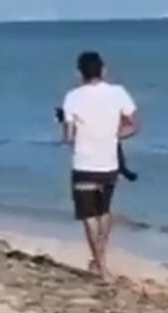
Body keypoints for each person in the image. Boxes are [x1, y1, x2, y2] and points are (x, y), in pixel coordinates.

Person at [60, 51, 139, 280]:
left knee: (89, 216)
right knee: (104, 211)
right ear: (103, 70)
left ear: (79, 73)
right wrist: (114, 136)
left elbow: (68, 138)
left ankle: (101, 266)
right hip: (109, 164)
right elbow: (134, 125)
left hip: (83, 163)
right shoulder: (118, 93)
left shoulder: (72, 97)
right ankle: (100, 259)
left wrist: (63, 127)